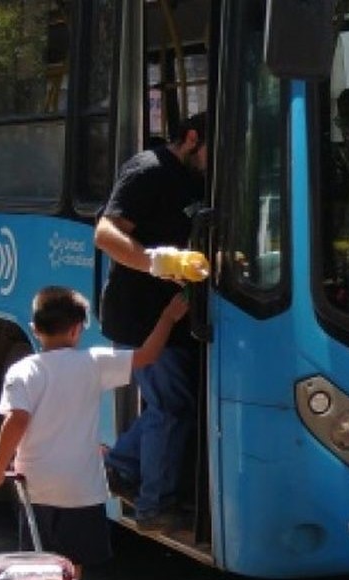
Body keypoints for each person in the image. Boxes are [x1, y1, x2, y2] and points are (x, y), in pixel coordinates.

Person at [0, 287, 189, 580]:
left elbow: (17, 419)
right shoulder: (94, 362)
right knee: (72, 563)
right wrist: (168, 317)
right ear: (78, 330)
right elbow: (148, 355)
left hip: (37, 487)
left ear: (34, 329)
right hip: (81, 488)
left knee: (39, 563)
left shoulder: (22, 371)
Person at [94, 113, 210, 532]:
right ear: (192, 138)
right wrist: (156, 262)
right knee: (171, 406)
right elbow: (106, 235)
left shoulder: (197, 177)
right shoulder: (148, 169)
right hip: (141, 313)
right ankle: (153, 506)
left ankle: (124, 465)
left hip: (178, 312)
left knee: (178, 402)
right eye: (210, 150)